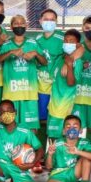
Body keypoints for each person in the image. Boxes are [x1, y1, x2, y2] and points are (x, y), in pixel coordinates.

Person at [0, 14, 46, 133]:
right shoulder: (7, 45)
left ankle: (29, 151)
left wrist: (35, 54)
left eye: (22, 23)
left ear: (26, 25)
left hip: (29, 93)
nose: (19, 25)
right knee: (9, 126)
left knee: (31, 128)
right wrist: (10, 52)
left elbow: (44, 62)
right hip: (11, 94)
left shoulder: (32, 43)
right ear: (11, 26)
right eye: (16, 23)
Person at [44, 115, 91, 182]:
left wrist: (78, 152)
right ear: (64, 131)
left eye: (75, 126)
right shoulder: (57, 143)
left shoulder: (84, 142)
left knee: (87, 157)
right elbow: (48, 167)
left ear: (80, 130)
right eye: (68, 126)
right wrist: (50, 154)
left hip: (75, 172)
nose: (71, 129)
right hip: (59, 174)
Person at [46, 29, 84, 142]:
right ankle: (53, 158)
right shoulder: (59, 59)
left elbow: (71, 82)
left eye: (71, 41)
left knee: (65, 137)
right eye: (65, 40)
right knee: (52, 136)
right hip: (53, 105)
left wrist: (69, 65)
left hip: (65, 106)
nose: (67, 43)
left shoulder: (77, 62)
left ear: (77, 44)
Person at [35, 8, 65, 149]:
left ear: (56, 22)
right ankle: (41, 152)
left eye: (52, 19)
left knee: (55, 121)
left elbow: (76, 50)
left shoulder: (62, 38)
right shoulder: (37, 40)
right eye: (45, 19)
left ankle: (54, 152)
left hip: (57, 87)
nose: (48, 22)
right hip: (41, 86)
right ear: (40, 21)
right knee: (42, 120)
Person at [72, 16, 91, 145]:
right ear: (82, 28)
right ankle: (75, 151)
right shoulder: (77, 48)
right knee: (76, 124)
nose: (90, 30)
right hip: (78, 95)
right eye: (87, 28)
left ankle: (88, 149)